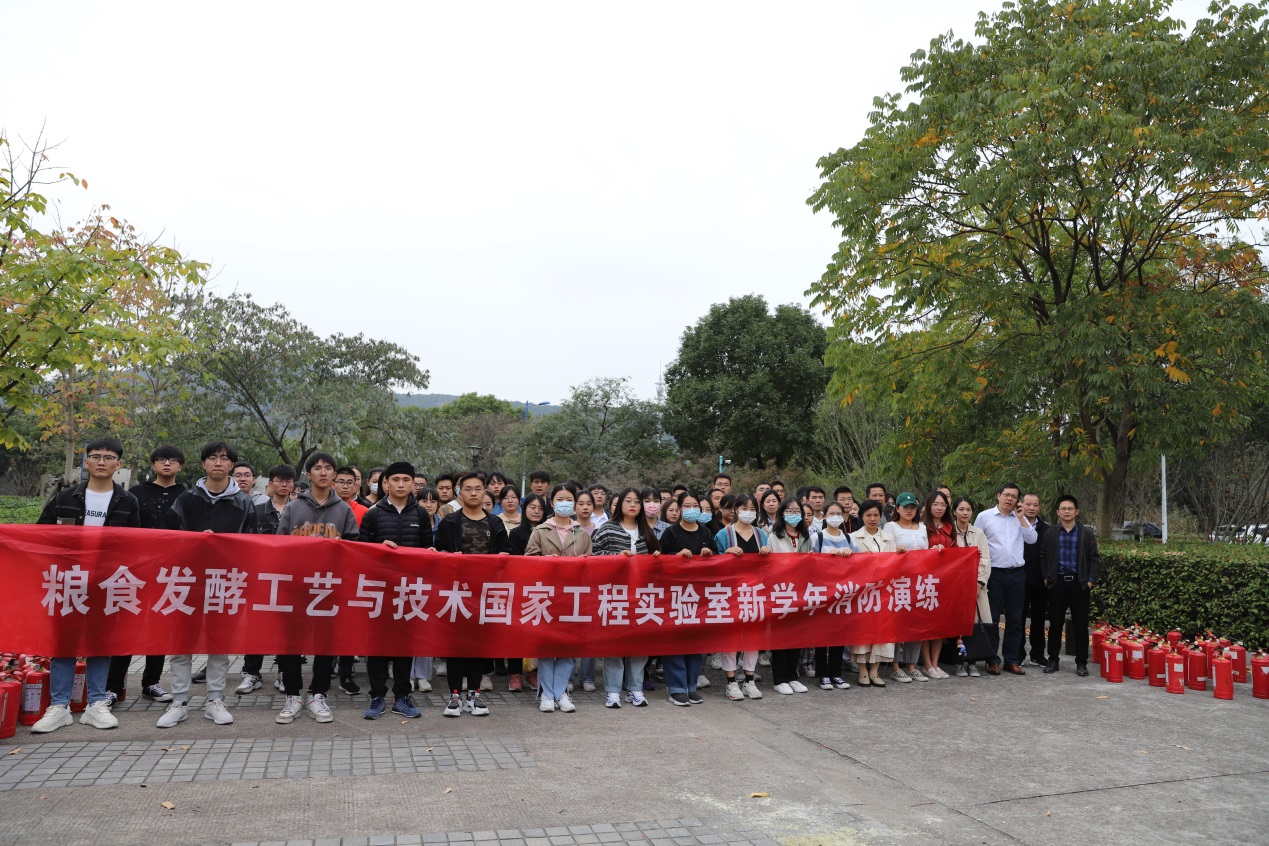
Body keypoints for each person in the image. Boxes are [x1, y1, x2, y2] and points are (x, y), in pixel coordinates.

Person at [31, 437, 139, 733]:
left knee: (100, 643)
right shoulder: (65, 498)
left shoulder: (127, 501)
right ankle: (59, 706)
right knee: (63, 642)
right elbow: (40, 534)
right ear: (86, 461)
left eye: (108, 457)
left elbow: (135, 545)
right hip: (68, 580)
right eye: (96, 456)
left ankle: (96, 704)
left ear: (118, 464)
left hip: (106, 582)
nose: (102, 461)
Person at [159, 441, 259, 728]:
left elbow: (253, 544)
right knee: (181, 644)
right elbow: (166, 539)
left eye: (224, 459)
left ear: (232, 465)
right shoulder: (185, 500)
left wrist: (226, 548)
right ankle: (179, 702)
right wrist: (194, 542)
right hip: (187, 581)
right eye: (212, 458)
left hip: (225, 582)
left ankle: (215, 700)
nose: (218, 462)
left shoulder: (244, 503)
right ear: (203, 463)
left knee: (219, 644)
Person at [272, 452, 360, 725]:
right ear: (308, 475)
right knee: (290, 643)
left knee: (326, 642)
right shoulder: (293, 508)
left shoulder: (343, 509)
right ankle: (292, 696)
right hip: (296, 586)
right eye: (318, 468)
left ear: (334, 474)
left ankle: (318, 694)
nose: (323, 472)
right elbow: (279, 546)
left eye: (328, 468)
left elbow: (354, 548)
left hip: (329, 587)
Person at [106, 444, 186, 706]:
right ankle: (113, 686)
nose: (167, 463)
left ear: (180, 466)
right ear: (153, 464)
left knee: (158, 626)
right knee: (126, 627)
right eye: (161, 459)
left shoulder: (187, 496)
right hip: (135, 570)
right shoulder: (136, 493)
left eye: (173, 459)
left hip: (170, 572)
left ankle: (151, 682)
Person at [357, 461, 433, 720]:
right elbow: (362, 553)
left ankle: (402, 697)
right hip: (379, 590)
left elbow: (427, 549)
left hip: (409, 591)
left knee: (404, 646)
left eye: (406, 480)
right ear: (386, 483)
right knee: (377, 647)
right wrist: (379, 550)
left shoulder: (420, 514)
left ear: (413, 484)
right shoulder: (373, 514)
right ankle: (377, 697)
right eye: (396, 480)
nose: (401, 484)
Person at [434, 472, 511, 717]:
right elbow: (438, 553)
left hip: (485, 593)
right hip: (456, 592)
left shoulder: (495, 523)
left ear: (485, 491)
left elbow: (507, 554)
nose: (474, 493)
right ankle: (454, 696)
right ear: (460, 493)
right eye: (468, 489)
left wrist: (502, 559)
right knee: (456, 646)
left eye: (478, 488)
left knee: (478, 646)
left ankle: (474, 695)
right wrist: (449, 558)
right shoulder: (449, 522)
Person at [591, 488, 661, 708]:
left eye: (637, 501)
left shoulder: (646, 530)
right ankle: (613, 691)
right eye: (628, 501)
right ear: (620, 503)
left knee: (639, 645)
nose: (633, 505)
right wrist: (616, 557)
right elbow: (594, 555)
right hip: (614, 594)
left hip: (641, 596)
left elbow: (657, 560)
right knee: (614, 645)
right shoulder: (607, 528)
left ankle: (635, 689)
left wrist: (656, 557)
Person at [524, 485, 592, 713]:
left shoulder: (581, 533)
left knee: (567, 647)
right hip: (546, 595)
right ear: (552, 503)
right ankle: (546, 693)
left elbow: (591, 564)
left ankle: (561, 692)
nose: (565, 503)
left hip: (573, 596)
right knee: (546, 647)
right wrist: (545, 560)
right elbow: (528, 560)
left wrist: (582, 563)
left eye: (569, 499)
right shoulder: (541, 530)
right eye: (560, 499)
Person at [237, 463, 296, 694]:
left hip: (290, 579)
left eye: (288, 480)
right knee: (257, 627)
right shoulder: (256, 510)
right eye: (279, 480)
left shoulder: (299, 512)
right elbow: (245, 542)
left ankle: (284, 673)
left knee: (287, 629)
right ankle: (251, 673)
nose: (284, 484)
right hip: (261, 578)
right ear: (270, 484)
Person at [657, 491, 714, 705]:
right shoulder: (670, 532)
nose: (692, 510)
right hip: (675, 595)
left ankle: (691, 686)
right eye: (687, 506)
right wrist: (676, 557)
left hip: (699, 595)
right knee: (676, 641)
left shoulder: (706, 532)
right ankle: (676, 688)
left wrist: (709, 555)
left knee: (695, 642)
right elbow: (659, 561)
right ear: (679, 509)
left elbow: (718, 562)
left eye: (695, 506)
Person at [975, 483, 1038, 675]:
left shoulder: (1020, 518)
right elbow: (976, 543)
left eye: (1014, 496)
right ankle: (992, 660)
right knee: (992, 618)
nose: (1010, 499)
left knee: (1015, 619)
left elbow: (1032, 539)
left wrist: (1021, 518)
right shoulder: (985, 517)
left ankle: (1011, 660)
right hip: (994, 574)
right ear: (998, 495)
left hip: (1017, 574)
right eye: (1007, 495)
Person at [712, 494, 769, 702]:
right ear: (735, 510)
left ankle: (749, 680)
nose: (748, 512)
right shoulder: (724, 534)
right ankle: (731, 681)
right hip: (731, 593)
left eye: (753, 509)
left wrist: (768, 552)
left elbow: (769, 566)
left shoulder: (761, 534)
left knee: (752, 638)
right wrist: (725, 554)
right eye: (744, 508)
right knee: (731, 638)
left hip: (755, 592)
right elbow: (712, 564)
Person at [1041, 495, 1099, 677]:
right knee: (1055, 624)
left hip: (1079, 584)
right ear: (1058, 512)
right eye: (1063, 508)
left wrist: (1090, 580)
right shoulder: (1051, 533)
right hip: (1056, 584)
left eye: (1070, 508)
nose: (1067, 511)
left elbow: (1094, 558)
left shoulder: (1086, 533)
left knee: (1081, 625)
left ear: (1076, 511)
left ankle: (1081, 662)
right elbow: (1043, 556)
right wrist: (1046, 578)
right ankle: (1053, 660)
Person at [768, 499, 813, 695]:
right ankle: (780, 679)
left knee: (796, 636)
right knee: (780, 636)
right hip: (780, 590)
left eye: (797, 511)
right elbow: (769, 564)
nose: (793, 514)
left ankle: (792, 676)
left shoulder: (805, 535)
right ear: (782, 513)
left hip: (800, 590)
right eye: (789, 510)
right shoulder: (774, 536)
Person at [849, 500, 896, 687]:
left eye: (876, 515)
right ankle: (862, 670)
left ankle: (875, 671)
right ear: (861, 516)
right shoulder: (853, 537)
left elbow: (894, 563)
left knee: (883, 629)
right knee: (863, 630)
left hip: (884, 591)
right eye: (868, 515)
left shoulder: (888, 538)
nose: (872, 518)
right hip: (863, 592)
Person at [884, 492, 929, 683]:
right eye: (905, 507)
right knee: (897, 623)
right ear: (897, 508)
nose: (909, 511)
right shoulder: (891, 526)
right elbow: (886, 551)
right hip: (899, 581)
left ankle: (911, 664)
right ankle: (895, 665)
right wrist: (896, 552)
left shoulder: (922, 527)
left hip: (919, 581)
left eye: (912, 507)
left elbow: (926, 553)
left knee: (916, 622)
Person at [812, 501, 854, 691]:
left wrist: (850, 555)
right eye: (831, 513)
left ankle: (836, 674)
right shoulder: (817, 537)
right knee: (822, 635)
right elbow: (810, 562)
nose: (835, 517)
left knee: (839, 634)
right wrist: (829, 556)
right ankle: (823, 674)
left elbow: (860, 563)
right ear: (824, 515)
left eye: (839, 513)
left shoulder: (849, 538)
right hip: (822, 592)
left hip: (842, 592)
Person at [951, 496, 993, 678]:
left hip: (977, 587)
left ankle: (973, 661)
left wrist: (978, 583)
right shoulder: (949, 532)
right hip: (956, 587)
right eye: (961, 509)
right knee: (958, 626)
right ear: (954, 511)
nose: (965, 513)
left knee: (976, 625)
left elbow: (985, 559)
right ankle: (959, 661)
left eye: (968, 509)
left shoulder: (978, 533)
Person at [918, 490, 956, 679]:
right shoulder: (921, 526)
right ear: (928, 506)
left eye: (943, 504)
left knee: (940, 622)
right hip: (926, 579)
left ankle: (935, 662)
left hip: (945, 580)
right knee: (926, 622)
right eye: (935, 504)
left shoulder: (950, 526)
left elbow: (956, 552)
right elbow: (917, 551)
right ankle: (926, 664)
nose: (939, 508)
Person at [1020, 493, 1051, 668]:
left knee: (1039, 620)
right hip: (1019, 580)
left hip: (1040, 581)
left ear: (1039, 507)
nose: (1032, 508)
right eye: (1028, 504)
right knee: (1018, 619)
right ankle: (1018, 654)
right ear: (1021, 505)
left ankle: (1038, 654)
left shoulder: (1046, 529)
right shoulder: (1015, 524)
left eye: (1035, 505)